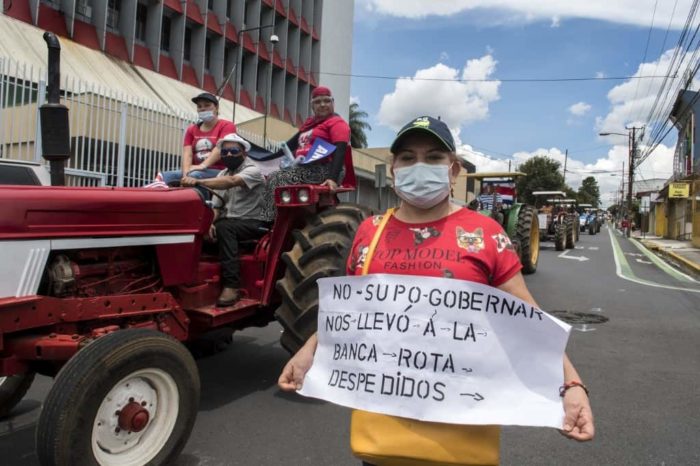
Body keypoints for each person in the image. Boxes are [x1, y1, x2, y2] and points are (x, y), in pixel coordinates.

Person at [278, 116, 594, 463]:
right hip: (380, 441)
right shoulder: (370, 232)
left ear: (454, 169)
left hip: (460, 443)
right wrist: (309, 350)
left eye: (433, 157)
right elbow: (352, 317)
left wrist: (572, 384)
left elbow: (529, 318)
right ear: (394, 168)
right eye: (408, 158)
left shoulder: (486, 233)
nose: (420, 166)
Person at [182, 133, 267, 307]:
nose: (229, 155)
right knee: (200, 229)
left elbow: (231, 181)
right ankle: (192, 279)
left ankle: (232, 286)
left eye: (234, 151)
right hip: (229, 220)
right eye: (225, 151)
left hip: (252, 222)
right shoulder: (222, 172)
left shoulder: (253, 171)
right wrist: (209, 224)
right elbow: (217, 207)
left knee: (225, 228)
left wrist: (199, 182)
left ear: (244, 153)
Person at [260, 86, 352, 222]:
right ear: (312, 106)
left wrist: (332, 178)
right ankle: (271, 219)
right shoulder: (309, 125)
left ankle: (270, 222)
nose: (322, 105)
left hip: (326, 168)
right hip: (304, 168)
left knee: (277, 179)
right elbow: (290, 144)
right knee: (265, 177)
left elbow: (340, 150)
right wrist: (262, 158)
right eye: (318, 102)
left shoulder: (336, 123)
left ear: (333, 103)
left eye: (326, 101)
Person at [161, 92, 236, 186]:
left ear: (216, 107)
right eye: (199, 106)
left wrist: (202, 166)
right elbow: (187, 154)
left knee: (195, 175)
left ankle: (201, 200)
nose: (203, 108)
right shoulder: (191, 129)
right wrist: (185, 175)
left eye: (207, 105)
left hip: (219, 171)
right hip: (194, 170)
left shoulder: (227, 126)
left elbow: (219, 149)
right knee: (165, 176)